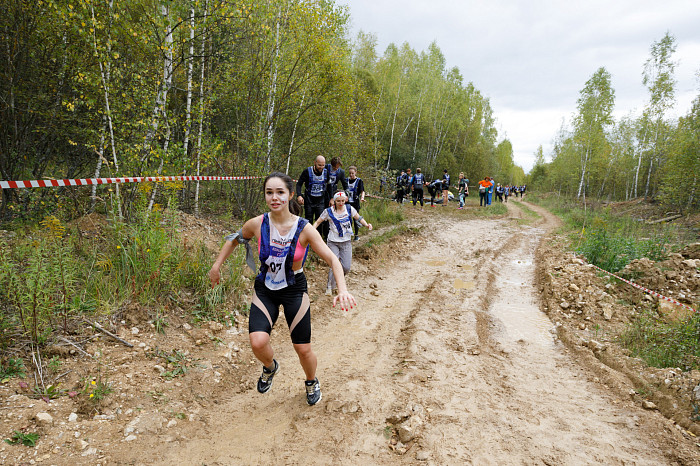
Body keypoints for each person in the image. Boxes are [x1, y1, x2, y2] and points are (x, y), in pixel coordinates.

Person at [209, 173, 357, 406]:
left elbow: (333, 259)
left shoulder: (305, 228)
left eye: (280, 192)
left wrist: (343, 289)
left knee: (302, 348)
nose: (274, 198)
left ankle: (311, 381)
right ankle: (270, 367)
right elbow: (234, 239)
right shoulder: (257, 223)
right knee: (257, 341)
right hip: (265, 287)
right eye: (269, 193)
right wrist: (216, 266)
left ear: (290, 195)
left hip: (294, 289)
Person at [313, 191, 372, 296]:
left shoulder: (349, 209)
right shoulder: (328, 211)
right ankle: (329, 287)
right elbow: (318, 222)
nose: (340, 203)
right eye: (338, 201)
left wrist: (367, 225)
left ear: (345, 200)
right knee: (334, 264)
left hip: (346, 242)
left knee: (346, 267)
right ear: (334, 201)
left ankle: (336, 281)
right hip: (333, 242)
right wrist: (311, 230)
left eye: (342, 201)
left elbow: (359, 217)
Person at [296, 156, 330, 240]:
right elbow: (299, 184)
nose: (321, 167)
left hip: (320, 200)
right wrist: (299, 195)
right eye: (319, 165)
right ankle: (308, 239)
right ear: (315, 163)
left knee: (320, 221)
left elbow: (329, 186)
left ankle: (318, 240)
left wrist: (332, 198)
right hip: (309, 200)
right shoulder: (307, 172)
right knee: (308, 220)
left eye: (323, 165)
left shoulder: (326, 172)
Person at [346, 165, 366, 240]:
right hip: (347, 203)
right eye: (350, 173)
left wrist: (362, 197)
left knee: (356, 219)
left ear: (355, 173)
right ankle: (348, 234)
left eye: (352, 173)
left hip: (355, 202)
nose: (351, 175)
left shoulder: (359, 181)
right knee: (348, 219)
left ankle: (356, 235)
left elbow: (362, 191)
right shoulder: (346, 180)